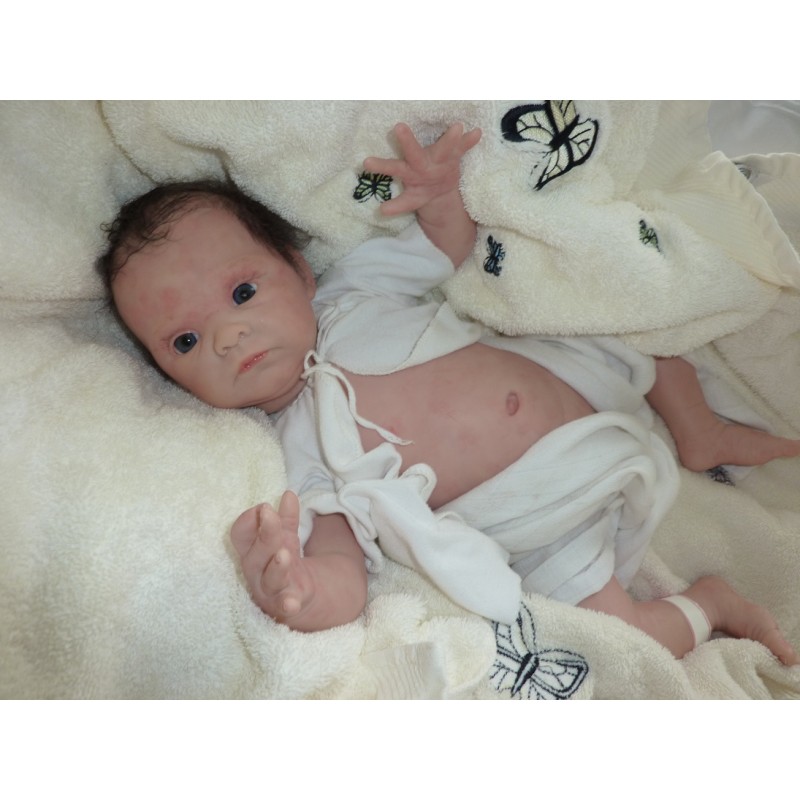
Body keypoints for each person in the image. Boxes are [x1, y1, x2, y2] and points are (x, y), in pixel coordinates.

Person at [98, 122, 800, 665]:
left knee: (637, 313)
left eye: (242, 293)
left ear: (300, 272)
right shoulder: (297, 455)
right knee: (617, 631)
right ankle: (712, 606)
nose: (227, 337)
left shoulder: (353, 293)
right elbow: (343, 569)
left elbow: (444, 248)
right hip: (547, 517)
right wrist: (298, 591)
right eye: (185, 341)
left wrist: (436, 196)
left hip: (575, 372)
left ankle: (697, 427)